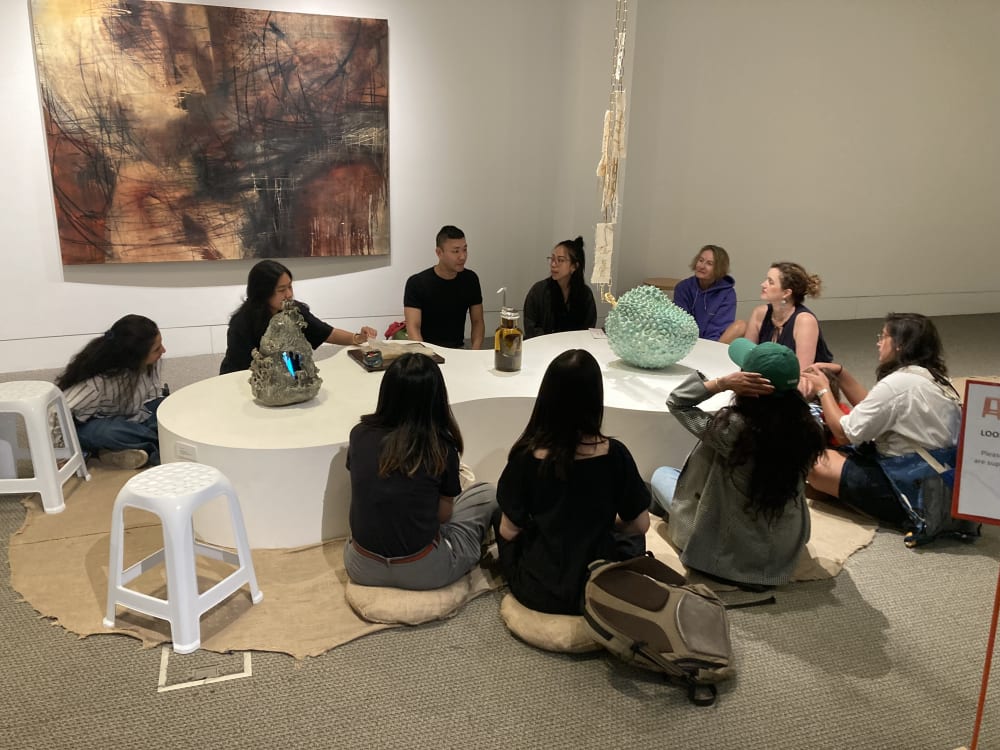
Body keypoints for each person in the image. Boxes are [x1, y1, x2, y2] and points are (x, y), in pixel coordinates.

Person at [650, 340, 825, 588]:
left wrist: (721, 383)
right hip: (782, 550)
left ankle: (673, 520)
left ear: (746, 383)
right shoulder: (811, 426)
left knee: (662, 475)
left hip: (723, 551)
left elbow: (677, 402)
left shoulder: (734, 428)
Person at [495, 349, 651, 614]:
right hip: (598, 586)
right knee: (637, 515)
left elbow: (510, 532)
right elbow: (640, 525)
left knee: (499, 513)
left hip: (536, 589)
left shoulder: (524, 457)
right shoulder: (616, 455)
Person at [344, 352, 497, 590]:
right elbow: (443, 516)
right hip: (424, 571)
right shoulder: (441, 446)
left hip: (359, 566)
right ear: (436, 398)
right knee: (487, 493)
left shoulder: (359, 433)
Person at [802, 313, 962, 528]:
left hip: (912, 486)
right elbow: (874, 409)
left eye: (883, 336)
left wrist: (823, 390)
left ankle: (898, 511)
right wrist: (842, 374)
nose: (878, 342)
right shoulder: (931, 378)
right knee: (824, 473)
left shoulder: (898, 384)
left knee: (817, 463)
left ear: (900, 344)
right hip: (936, 479)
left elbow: (844, 432)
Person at [219, 260, 377, 374]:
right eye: (281, 290)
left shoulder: (295, 310)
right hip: (247, 379)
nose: (289, 294)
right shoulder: (242, 322)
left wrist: (358, 338)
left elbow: (327, 333)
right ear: (263, 292)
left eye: (290, 286)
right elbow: (241, 369)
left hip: (288, 371)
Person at [55, 315, 168, 469]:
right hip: (98, 425)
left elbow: (153, 397)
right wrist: (61, 453)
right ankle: (161, 446)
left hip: (136, 416)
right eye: (156, 349)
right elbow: (56, 414)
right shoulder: (94, 383)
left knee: (171, 407)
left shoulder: (151, 363)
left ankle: (114, 452)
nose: (163, 350)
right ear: (134, 357)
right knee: (107, 433)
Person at [403, 225, 485, 349]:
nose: (462, 256)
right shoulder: (417, 283)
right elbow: (413, 327)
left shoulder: (470, 279)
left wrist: (475, 350)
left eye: (465, 249)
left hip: (458, 349)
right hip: (427, 351)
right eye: (456, 251)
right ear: (439, 253)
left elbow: (478, 321)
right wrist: (425, 357)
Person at [743, 261, 833, 371]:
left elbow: (803, 372)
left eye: (770, 282)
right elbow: (747, 358)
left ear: (786, 293)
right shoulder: (759, 313)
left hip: (805, 382)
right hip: (769, 377)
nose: (763, 284)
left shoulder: (805, 321)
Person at [522, 236, 597, 339]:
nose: (553, 264)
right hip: (543, 349)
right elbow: (531, 328)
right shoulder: (538, 291)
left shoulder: (585, 294)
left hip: (575, 350)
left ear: (574, 266)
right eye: (552, 259)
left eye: (560, 260)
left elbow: (588, 329)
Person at [672, 244, 742, 343]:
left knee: (741, 326)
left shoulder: (728, 294)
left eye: (709, 263)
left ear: (719, 268)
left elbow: (718, 328)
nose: (702, 266)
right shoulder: (683, 287)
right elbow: (679, 323)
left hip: (712, 343)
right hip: (684, 342)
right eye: (700, 260)